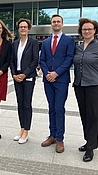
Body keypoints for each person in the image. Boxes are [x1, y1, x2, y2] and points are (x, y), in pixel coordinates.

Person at [73, 18, 98, 162]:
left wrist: (97, 79)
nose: (87, 31)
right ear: (81, 31)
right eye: (84, 29)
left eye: (90, 29)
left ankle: (91, 148)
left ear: (95, 31)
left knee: (93, 115)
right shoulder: (78, 47)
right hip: (79, 85)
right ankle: (88, 141)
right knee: (84, 114)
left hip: (95, 86)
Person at [39, 14, 75, 153]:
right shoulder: (46, 42)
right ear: (51, 24)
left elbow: (69, 59)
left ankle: (60, 139)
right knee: (51, 108)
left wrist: (56, 73)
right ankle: (52, 135)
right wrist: (48, 73)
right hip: (48, 79)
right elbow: (42, 59)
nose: (56, 23)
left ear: (62, 24)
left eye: (58, 21)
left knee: (59, 108)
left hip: (61, 79)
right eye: (53, 22)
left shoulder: (69, 40)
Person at [10, 18, 39, 144]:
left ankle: (26, 130)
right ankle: (21, 129)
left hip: (28, 77)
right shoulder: (14, 44)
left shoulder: (33, 43)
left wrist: (24, 74)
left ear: (28, 29)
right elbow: (11, 60)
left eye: (25, 27)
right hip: (17, 77)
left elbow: (35, 60)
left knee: (27, 104)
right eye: (21, 27)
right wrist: (14, 74)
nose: (23, 29)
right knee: (20, 104)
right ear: (18, 29)